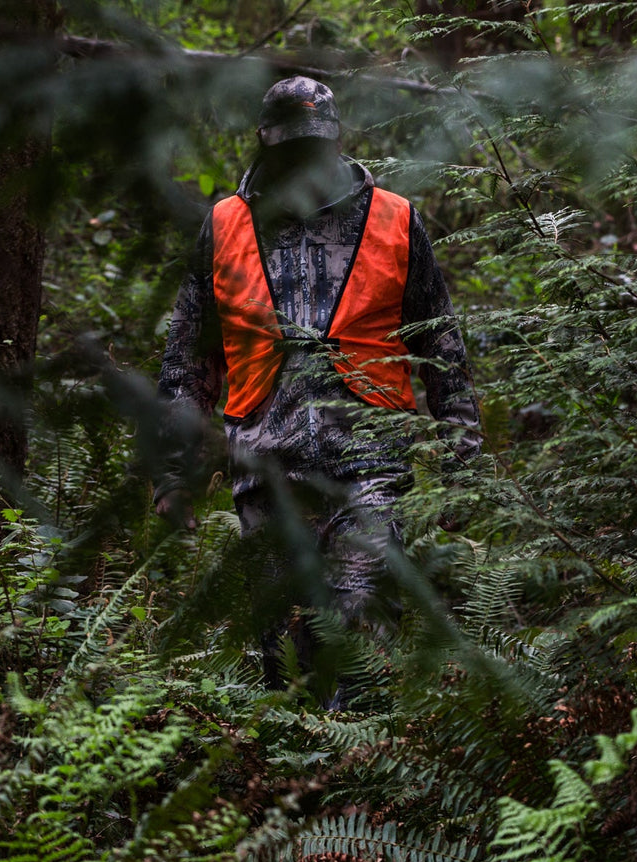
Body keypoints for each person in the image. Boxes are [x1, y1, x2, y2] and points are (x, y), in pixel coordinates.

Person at [153, 76, 480, 699]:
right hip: (264, 468)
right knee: (282, 649)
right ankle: (295, 782)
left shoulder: (396, 220)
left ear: (335, 142)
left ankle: (362, 780)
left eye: (314, 146)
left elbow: (442, 347)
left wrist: (463, 457)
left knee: (360, 621)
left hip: (371, 467)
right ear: (264, 145)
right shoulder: (224, 226)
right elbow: (188, 361)